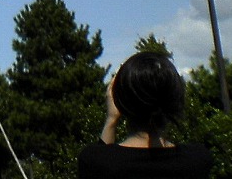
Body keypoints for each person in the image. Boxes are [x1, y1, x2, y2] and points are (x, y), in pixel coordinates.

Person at [78, 51, 213, 178]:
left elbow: (101, 163)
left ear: (121, 100)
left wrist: (111, 120)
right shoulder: (197, 159)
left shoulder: (94, 161)